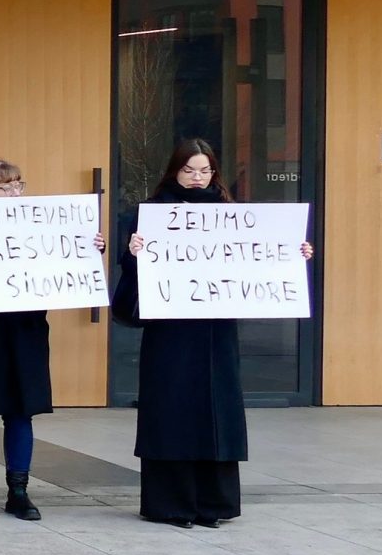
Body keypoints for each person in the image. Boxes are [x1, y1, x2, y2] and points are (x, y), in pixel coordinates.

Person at [115, 139, 314, 528]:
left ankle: (213, 504)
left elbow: (258, 262)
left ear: (215, 173)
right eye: (189, 170)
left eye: (205, 170)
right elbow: (131, 276)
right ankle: (171, 503)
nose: (197, 177)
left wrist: (295, 253)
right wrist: (132, 253)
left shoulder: (230, 213)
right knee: (172, 408)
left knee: (215, 409)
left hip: (216, 330)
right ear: (174, 171)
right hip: (170, 330)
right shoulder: (153, 214)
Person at [0, 157, 104, 523]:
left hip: (26, 329)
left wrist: (91, 247)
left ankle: (19, 491)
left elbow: (67, 261)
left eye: (18, 185)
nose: (15, 192)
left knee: (21, 412)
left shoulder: (40, 222)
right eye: (6, 187)